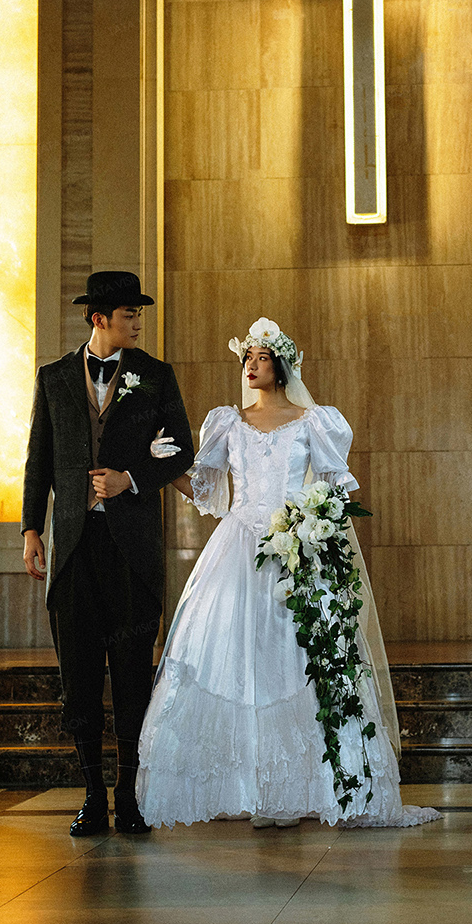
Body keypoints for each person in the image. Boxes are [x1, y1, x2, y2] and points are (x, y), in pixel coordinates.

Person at [136, 318, 439, 830]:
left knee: (297, 661)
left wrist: (316, 526)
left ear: (281, 366)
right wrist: (163, 467)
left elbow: (336, 491)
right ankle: (253, 787)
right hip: (237, 548)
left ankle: (300, 788)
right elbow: (206, 491)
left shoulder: (313, 422)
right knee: (238, 662)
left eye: (261, 358)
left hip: (296, 546)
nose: (251, 366)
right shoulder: (227, 423)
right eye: (247, 358)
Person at [21, 271, 195, 836]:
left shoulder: (156, 375)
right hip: (73, 548)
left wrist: (131, 478)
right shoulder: (53, 378)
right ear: (100, 318)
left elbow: (182, 452)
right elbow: (38, 459)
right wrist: (31, 529)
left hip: (132, 551)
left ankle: (129, 796)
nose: (138, 323)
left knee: (131, 674)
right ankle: (93, 796)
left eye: (138, 314)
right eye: (129, 314)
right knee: (78, 674)